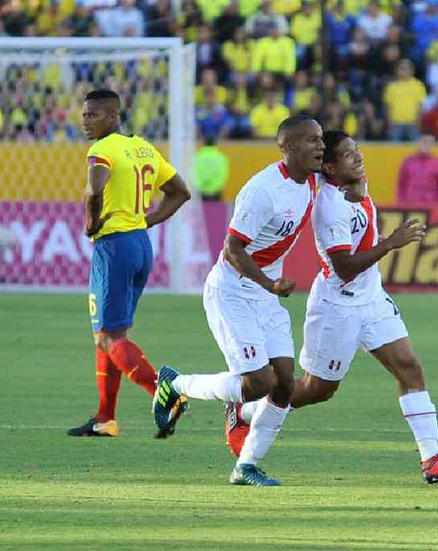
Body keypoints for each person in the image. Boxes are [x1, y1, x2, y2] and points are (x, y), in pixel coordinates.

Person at [230, 130, 438, 484]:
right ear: (329, 167)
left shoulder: (351, 183)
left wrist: (357, 187)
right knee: (318, 390)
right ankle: (246, 410)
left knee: (409, 367)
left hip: (372, 298)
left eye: (357, 149)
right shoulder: (330, 206)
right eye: (348, 155)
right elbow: (344, 268)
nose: (358, 157)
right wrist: (390, 243)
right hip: (338, 307)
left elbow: (343, 184)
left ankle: (432, 459)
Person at [153, 115, 324, 486]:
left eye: (321, 139)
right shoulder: (263, 190)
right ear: (288, 147)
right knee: (259, 383)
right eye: (311, 140)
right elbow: (232, 249)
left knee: (284, 386)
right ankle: (175, 383)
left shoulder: (313, 179)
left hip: (264, 295)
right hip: (232, 292)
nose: (320, 147)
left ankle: (246, 466)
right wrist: (269, 282)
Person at [67, 89, 191, 438]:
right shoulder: (143, 148)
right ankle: (105, 419)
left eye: (92, 115)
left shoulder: (101, 150)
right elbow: (180, 192)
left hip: (114, 247)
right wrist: (148, 221)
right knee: (111, 334)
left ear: (112, 116)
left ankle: (164, 393)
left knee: (107, 337)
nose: (85, 121)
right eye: (84, 114)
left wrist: (91, 222)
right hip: (139, 245)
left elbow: (94, 190)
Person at [396, 135, 438, 205]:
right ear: (418, 144)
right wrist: (401, 202)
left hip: (431, 205)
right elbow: (401, 185)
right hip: (411, 205)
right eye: (424, 143)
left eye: (430, 143)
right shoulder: (408, 162)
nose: (427, 146)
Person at [194, 134, 230, 201]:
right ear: (215, 143)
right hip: (216, 190)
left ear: (203, 144)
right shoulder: (220, 157)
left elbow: (194, 173)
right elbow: (223, 174)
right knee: (216, 211)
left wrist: (201, 184)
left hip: (201, 191)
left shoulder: (197, 157)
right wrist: (217, 186)